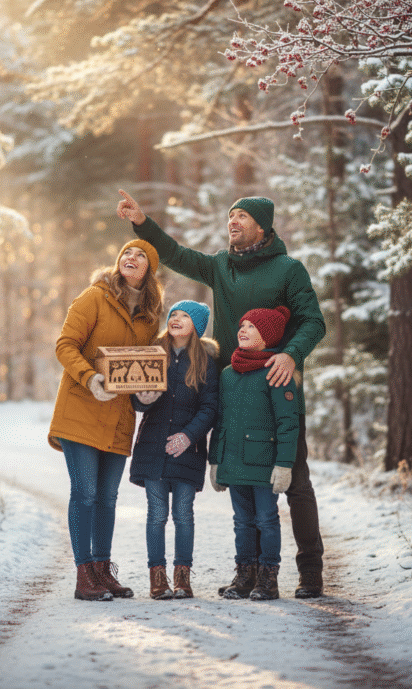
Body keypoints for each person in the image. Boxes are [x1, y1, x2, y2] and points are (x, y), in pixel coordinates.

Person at [117, 189, 327, 598]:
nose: (233, 222)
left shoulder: (289, 270)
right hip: (232, 392)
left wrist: (290, 356)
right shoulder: (219, 267)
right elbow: (175, 254)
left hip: (276, 388)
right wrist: (142, 223)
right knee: (242, 490)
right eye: (231, 216)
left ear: (262, 226)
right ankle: (248, 572)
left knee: (295, 482)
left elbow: (313, 322)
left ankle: (311, 572)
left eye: (243, 217)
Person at [48, 239, 163, 601]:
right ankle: (84, 576)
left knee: (108, 498)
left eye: (141, 255)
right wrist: (90, 378)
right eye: (127, 252)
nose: (131, 257)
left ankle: (102, 570)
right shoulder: (94, 297)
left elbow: (140, 367)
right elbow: (65, 345)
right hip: (82, 407)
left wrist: (146, 393)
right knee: (84, 494)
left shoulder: (150, 315)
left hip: (117, 417)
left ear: (149, 270)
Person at [129, 300, 219, 600]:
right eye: (173, 315)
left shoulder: (206, 361)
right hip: (153, 446)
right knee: (156, 514)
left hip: (187, 452)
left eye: (185, 316)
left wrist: (188, 437)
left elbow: (209, 408)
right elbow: (139, 402)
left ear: (198, 325)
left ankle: (182, 578)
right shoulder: (153, 353)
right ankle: (158, 578)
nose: (176, 319)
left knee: (183, 514)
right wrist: (143, 397)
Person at [209, 306, 299, 600]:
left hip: (263, 463)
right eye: (242, 325)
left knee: (266, 519)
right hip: (234, 462)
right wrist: (216, 460)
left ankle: (268, 578)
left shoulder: (277, 371)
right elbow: (220, 421)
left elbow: (288, 422)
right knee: (242, 521)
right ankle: (245, 575)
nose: (243, 330)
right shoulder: (227, 374)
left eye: (251, 326)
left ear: (268, 336)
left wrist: (284, 464)